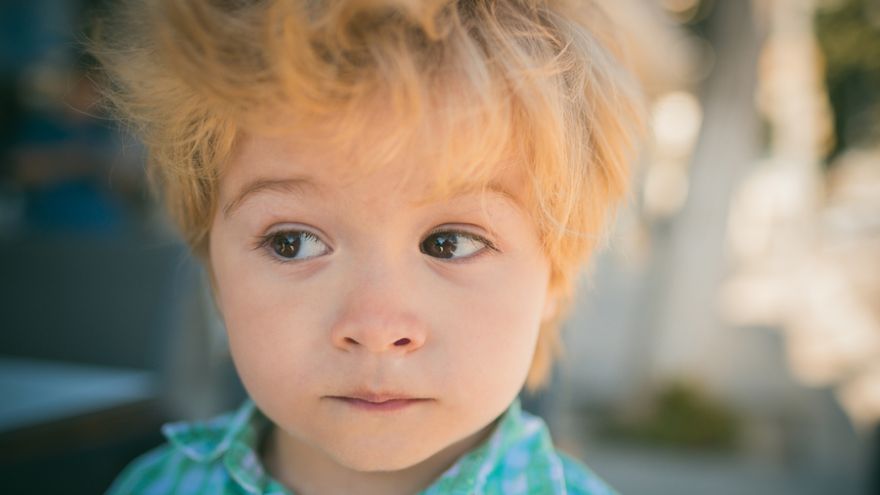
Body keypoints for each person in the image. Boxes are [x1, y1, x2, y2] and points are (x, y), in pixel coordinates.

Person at [91, 0, 645, 493]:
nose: (376, 326)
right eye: (293, 243)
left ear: (555, 276)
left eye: (449, 244)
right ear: (213, 270)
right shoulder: (155, 484)